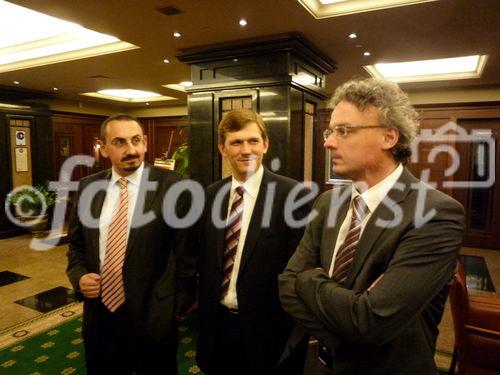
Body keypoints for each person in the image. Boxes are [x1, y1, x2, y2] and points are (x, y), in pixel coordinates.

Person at [278, 78, 465, 374]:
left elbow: (370, 322)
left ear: (389, 137)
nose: (327, 142)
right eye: (330, 131)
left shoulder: (436, 214)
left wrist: (309, 280)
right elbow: (287, 284)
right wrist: (345, 324)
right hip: (316, 363)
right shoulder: (327, 203)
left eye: (343, 130)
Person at [67, 113, 198, 374]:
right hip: (100, 315)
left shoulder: (176, 187)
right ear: (103, 148)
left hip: (154, 315)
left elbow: (188, 255)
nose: (131, 149)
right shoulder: (87, 187)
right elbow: (77, 245)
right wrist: (79, 276)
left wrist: (176, 307)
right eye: (119, 142)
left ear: (146, 142)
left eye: (136, 140)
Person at [196, 108, 312, 375]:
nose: (246, 150)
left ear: (265, 144)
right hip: (217, 327)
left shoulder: (293, 196)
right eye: (236, 142)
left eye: (253, 141)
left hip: (269, 330)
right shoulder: (210, 196)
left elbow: (300, 270)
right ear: (222, 148)